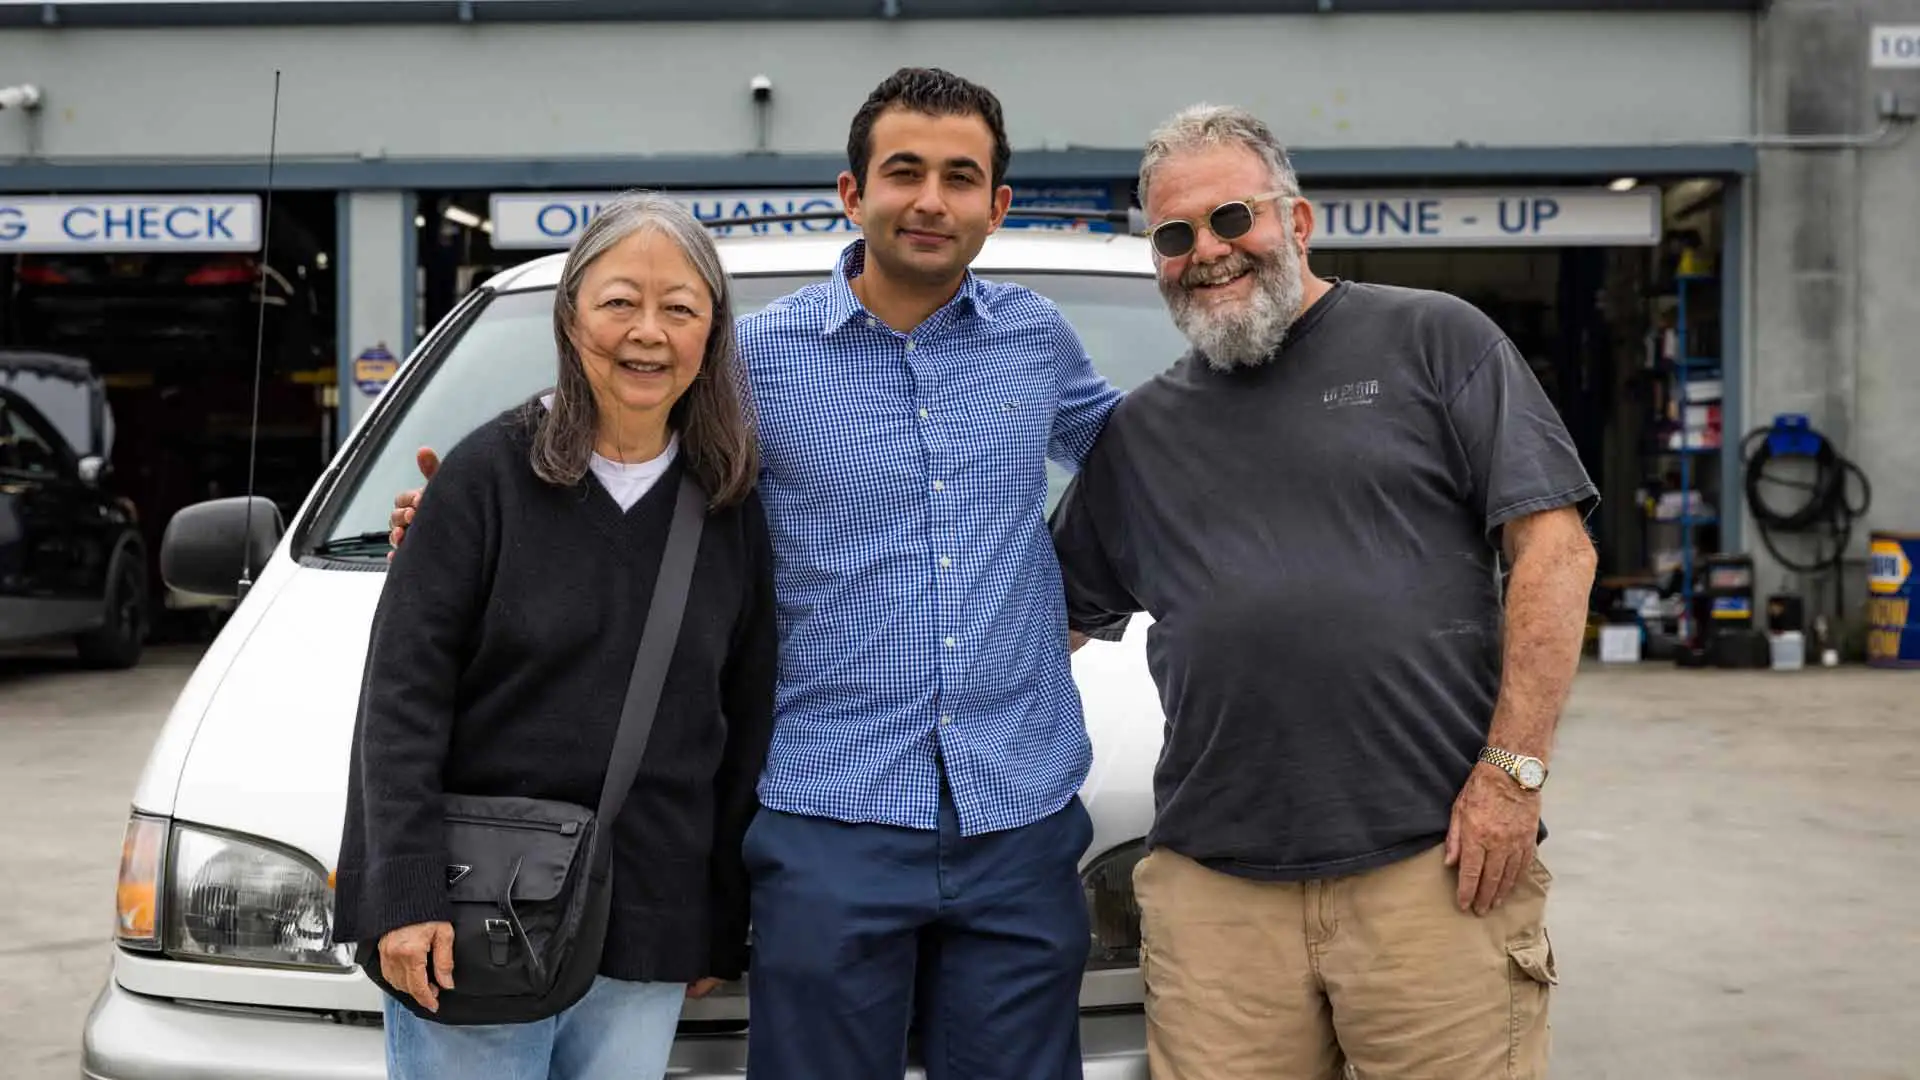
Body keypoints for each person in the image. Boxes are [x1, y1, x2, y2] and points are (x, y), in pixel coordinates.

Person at [386, 69, 1122, 1079]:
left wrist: (1089, 602)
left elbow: (1150, 469)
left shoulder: (1039, 342)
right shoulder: (751, 365)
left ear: (996, 206)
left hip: (1020, 809)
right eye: (903, 171)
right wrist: (467, 520)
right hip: (827, 812)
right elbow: (619, 458)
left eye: (960, 178)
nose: (930, 200)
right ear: (852, 193)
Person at [1050, 104, 1600, 1080]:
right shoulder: (1139, 435)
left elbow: (1555, 549)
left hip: (1434, 872)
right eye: (1175, 235)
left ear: (1296, 222)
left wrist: (1512, 777)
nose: (1206, 252)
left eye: (1232, 218)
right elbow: (1044, 621)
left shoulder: (1434, 341)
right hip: (1218, 904)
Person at [332, 193, 778, 1080]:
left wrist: (718, 916)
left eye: (679, 308)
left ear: (712, 333)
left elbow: (743, 727)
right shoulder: (484, 480)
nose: (647, 332)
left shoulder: (729, 507)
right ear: (572, 317)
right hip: (475, 916)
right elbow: (401, 702)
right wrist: (406, 892)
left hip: (648, 921)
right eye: (619, 302)